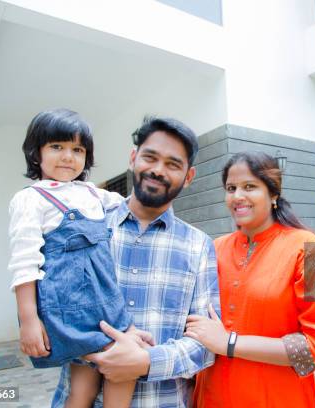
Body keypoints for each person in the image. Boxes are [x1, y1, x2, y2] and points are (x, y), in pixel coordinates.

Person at [51, 116, 220, 408]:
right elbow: (57, 309)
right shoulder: (87, 228)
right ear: (133, 158)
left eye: (173, 164)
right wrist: (97, 351)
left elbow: (205, 345)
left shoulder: (199, 246)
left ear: (189, 176)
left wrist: (145, 361)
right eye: (150, 157)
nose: (157, 170)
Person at [8, 109, 151, 408]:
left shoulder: (93, 194)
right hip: (68, 308)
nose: (67, 157)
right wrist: (29, 320)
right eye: (57, 147)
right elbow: (24, 264)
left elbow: (132, 204)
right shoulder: (31, 198)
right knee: (119, 370)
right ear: (36, 153)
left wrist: (145, 165)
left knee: (88, 384)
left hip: (106, 303)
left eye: (77, 149)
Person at [185, 151, 315, 407]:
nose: (237, 196)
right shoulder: (213, 248)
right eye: (231, 188)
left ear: (273, 193)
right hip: (212, 397)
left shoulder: (311, 249)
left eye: (250, 186)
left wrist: (230, 343)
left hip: (280, 398)